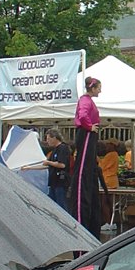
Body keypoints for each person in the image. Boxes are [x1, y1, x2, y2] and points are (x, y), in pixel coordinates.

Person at [69, 76, 103, 235]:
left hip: (90, 135)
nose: (100, 91)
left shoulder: (89, 101)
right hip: (87, 134)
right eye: (99, 88)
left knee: (88, 169)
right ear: (93, 88)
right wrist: (90, 127)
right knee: (83, 170)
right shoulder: (85, 100)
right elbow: (82, 116)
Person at [24, 128, 71, 211]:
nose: (47, 141)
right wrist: (29, 167)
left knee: (61, 205)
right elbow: (47, 165)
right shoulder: (54, 150)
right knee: (52, 205)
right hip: (53, 182)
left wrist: (48, 162)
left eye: (48, 139)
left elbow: (62, 165)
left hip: (60, 182)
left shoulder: (63, 148)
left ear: (54, 138)